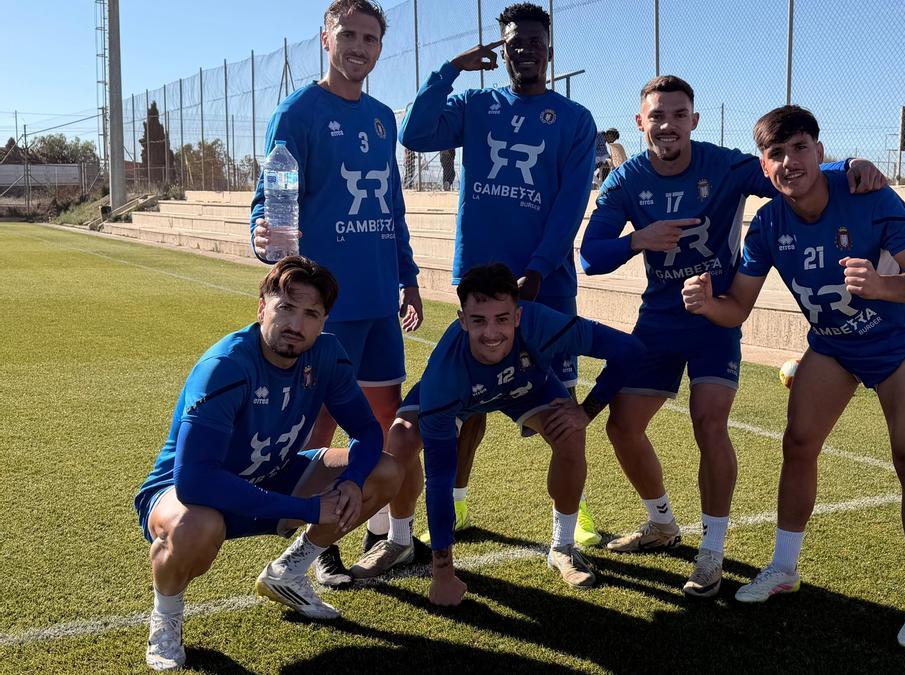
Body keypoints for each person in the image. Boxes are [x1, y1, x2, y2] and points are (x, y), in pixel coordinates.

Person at [579, 75, 885, 597]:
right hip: (659, 316)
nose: (668, 125)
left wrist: (845, 165)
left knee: (709, 422)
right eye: (657, 116)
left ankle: (711, 551)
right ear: (640, 122)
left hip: (716, 318)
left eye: (679, 115)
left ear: (693, 121)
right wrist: (638, 240)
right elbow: (591, 254)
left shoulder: (722, 163)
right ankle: (662, 524)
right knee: (622, 428)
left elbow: (787, 174)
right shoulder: (627, 178)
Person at [681, 105, 905, 649]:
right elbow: (738, 308)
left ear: (819, 150)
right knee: (799, 443)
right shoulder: (769, 224)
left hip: (899, 345)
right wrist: (709, 305)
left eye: (799, 148)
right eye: (776, 153)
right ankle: (784, 566)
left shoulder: (868, 193)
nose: (789, 162)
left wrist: (883, 287)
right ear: (764, 164)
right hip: (832, 345)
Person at [395, 1, 600, 552]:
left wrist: (535, 270)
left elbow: (569, 203)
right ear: (502, 49)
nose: (524, 51)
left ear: (549, 51)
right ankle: (458, 503)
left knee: (561, 411)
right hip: (480, 287)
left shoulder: (574, 121)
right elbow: (414, 134)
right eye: (514, 42)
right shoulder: (475, 103)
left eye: (534, 42)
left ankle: (570, 521)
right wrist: (450, 70)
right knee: (467, 406)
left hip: (545, 285)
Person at [134, 257, 403, 670]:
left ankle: (290, 572)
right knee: (195, 527)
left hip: (274, 473)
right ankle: (166, 617)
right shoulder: (225, 367)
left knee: (384, 472)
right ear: (262, 307)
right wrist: (306, 509)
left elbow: (367, 431)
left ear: (323, 320)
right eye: (286, 308)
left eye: (310, 313)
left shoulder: (327, 354)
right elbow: (195, 481)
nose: (296, 324)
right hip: (191, 494)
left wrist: (350, 481)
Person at [249, 0, 424, 583]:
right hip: (326, 306)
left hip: (378, 300)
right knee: (318, 428)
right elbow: (270, 198)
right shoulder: (297, 112)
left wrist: (409, 277)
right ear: (326, 38)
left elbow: (392, 207)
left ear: (380, 46)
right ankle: (314, 543)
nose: (359, 46)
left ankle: (374, 530)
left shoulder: (382, 117)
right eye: (348, 34)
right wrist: (264, 239)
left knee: (379, 420)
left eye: (370, 38)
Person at [356, 263, 644, 600]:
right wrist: (443, 572)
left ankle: (563, 546)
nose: (491, 333)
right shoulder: (444, 376)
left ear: (519, 316)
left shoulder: (541, 323)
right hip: (462, 396)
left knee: (570, 434)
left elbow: (630, 350)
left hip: (526, 389)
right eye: (478, 320)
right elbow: (439, 478)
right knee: (402, 437)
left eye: (502, 319)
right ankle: (400, 540)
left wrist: (585, 411)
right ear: (462, 320)